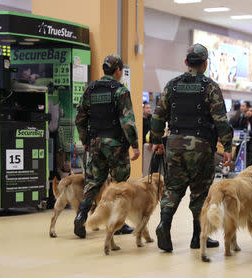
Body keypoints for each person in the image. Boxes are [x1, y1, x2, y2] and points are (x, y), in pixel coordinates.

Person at [151, 43, 233, 252]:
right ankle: (198, 237)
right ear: (205, 64)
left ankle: (164, 223)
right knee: (200, 192)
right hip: (201, 146)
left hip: (175, 144)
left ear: (186, 63)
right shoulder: (210, 87)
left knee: (172, 188)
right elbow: (221, 120)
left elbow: (158, 116)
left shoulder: (172, 85)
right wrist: (228, 147)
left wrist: (157, 141)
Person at [74, 54, 140, 238]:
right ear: (118, 71)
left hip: (95, 144)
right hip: (116, 145)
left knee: (93, 182)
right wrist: (135, 145)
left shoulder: (90, 90)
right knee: (119, 185)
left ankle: (81, 215)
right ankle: (117, 224)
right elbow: (127, 121)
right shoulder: (120, 91)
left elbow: (79, 118)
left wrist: (85, 140)